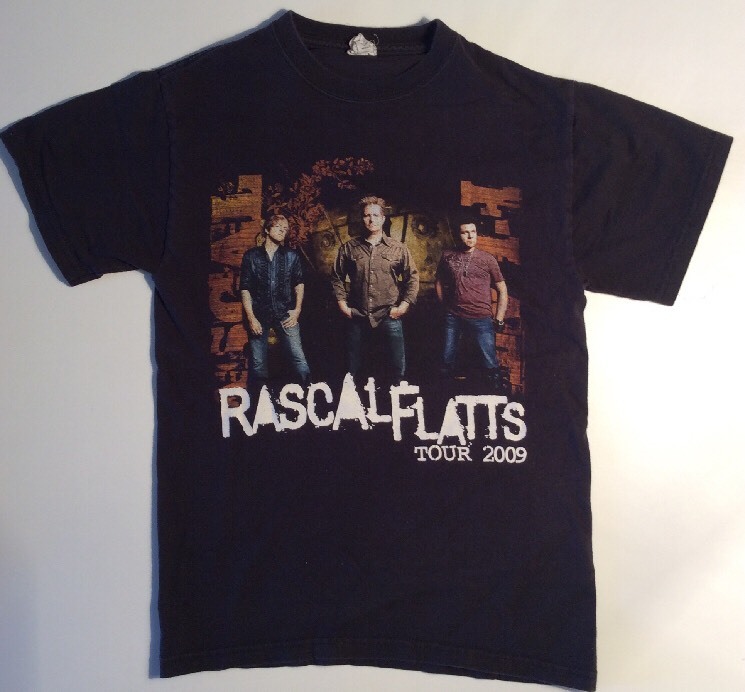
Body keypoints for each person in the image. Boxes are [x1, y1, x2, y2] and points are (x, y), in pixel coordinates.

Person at [331, 196, 419, 382]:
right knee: (352, 366)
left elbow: (412, 277)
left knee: (396, 366)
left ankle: (396, 394)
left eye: (375, 215)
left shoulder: (398, 248)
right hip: (357, 314)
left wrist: (403, 306)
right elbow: (336, 276)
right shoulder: (349, 248)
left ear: (383, 218)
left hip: (389, 314)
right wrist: (342, 305)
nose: (371, 220)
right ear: (362, 218)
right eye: (366, 215)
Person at [435, 218, 508, 389]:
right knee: (446, 361)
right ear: (457, 235)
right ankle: (444, 396)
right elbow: (439, 282)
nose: (470, 236)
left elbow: (502, 289)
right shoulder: (447, 256)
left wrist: (499, 318)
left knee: (490, 363)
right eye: (465, 232)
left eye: (473, 232)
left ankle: (497, 395)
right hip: (453, 316)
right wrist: (444, 306)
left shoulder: (487, 259)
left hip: (481, 317)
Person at [239, 214, 310, 385]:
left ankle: (307, 394)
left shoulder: (292, 256)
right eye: (278, 227)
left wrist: (297, 310)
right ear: (266, 229)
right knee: (258, 365)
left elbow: (299, 283)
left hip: (285, 314)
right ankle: (261, 399)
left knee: (299, 360)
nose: (282, 231)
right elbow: (245, 288)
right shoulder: (251, 256)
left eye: (285, 229)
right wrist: (251, 318)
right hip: (259, 315)